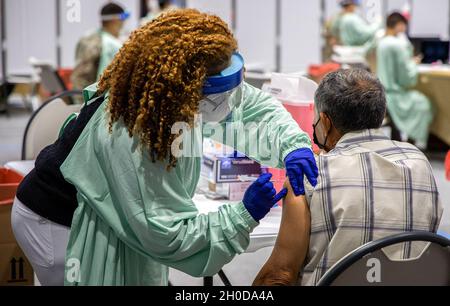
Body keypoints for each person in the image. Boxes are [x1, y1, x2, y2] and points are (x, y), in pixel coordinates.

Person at [12, 9, 318, 286]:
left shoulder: (173, 96)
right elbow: (166, 234)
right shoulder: (132, 134)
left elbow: (249, 106)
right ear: (183, 90)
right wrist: (243, 213)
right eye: (215, 94)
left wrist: (292, 145)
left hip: (107, 210)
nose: (227, 103)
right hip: (58, 222)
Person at [253, 69, 443, 286]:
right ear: (379, 115)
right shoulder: (418, 161)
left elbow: (280, 276)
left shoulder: (309, 176)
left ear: (325, 121)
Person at [377, 12, 433, 147]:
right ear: (399, 25)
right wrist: (414, 64)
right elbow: (406, 77)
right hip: (396, 95)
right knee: (425, 104)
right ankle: (411, 144)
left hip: (383, 92)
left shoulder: (382, 42)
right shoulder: (398, 45)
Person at [71, 2, 129, 92]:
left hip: (83, 95)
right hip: (96, 98)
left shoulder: (87, 38)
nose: (124, 22)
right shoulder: (109, 44)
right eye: (124, 17)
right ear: (115, 19)